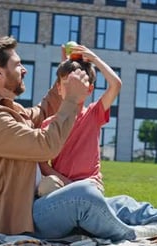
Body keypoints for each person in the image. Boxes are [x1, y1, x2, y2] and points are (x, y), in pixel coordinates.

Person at [0, 36, 157, 243]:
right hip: (19, 220)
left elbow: (45, 110)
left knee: (128, 205)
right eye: (17, 65)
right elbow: (45, 146)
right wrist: (71, 99)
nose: (24, 69)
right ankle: (131, 234)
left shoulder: (7, 109)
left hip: (42, 204)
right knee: (84, 195)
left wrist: (65, 80)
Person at [37, 45, 120, 196]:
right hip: (62, 184)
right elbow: (42, 163)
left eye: (80, 83)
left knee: (88, 192)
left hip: (89, 184)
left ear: (89, 89)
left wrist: (94, 59)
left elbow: (116, 84)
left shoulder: (94, 113)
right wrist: (68, 184)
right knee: (45, 186)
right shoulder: (49, 123)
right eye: (68, 84)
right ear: (59, 88)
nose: (73, 88)